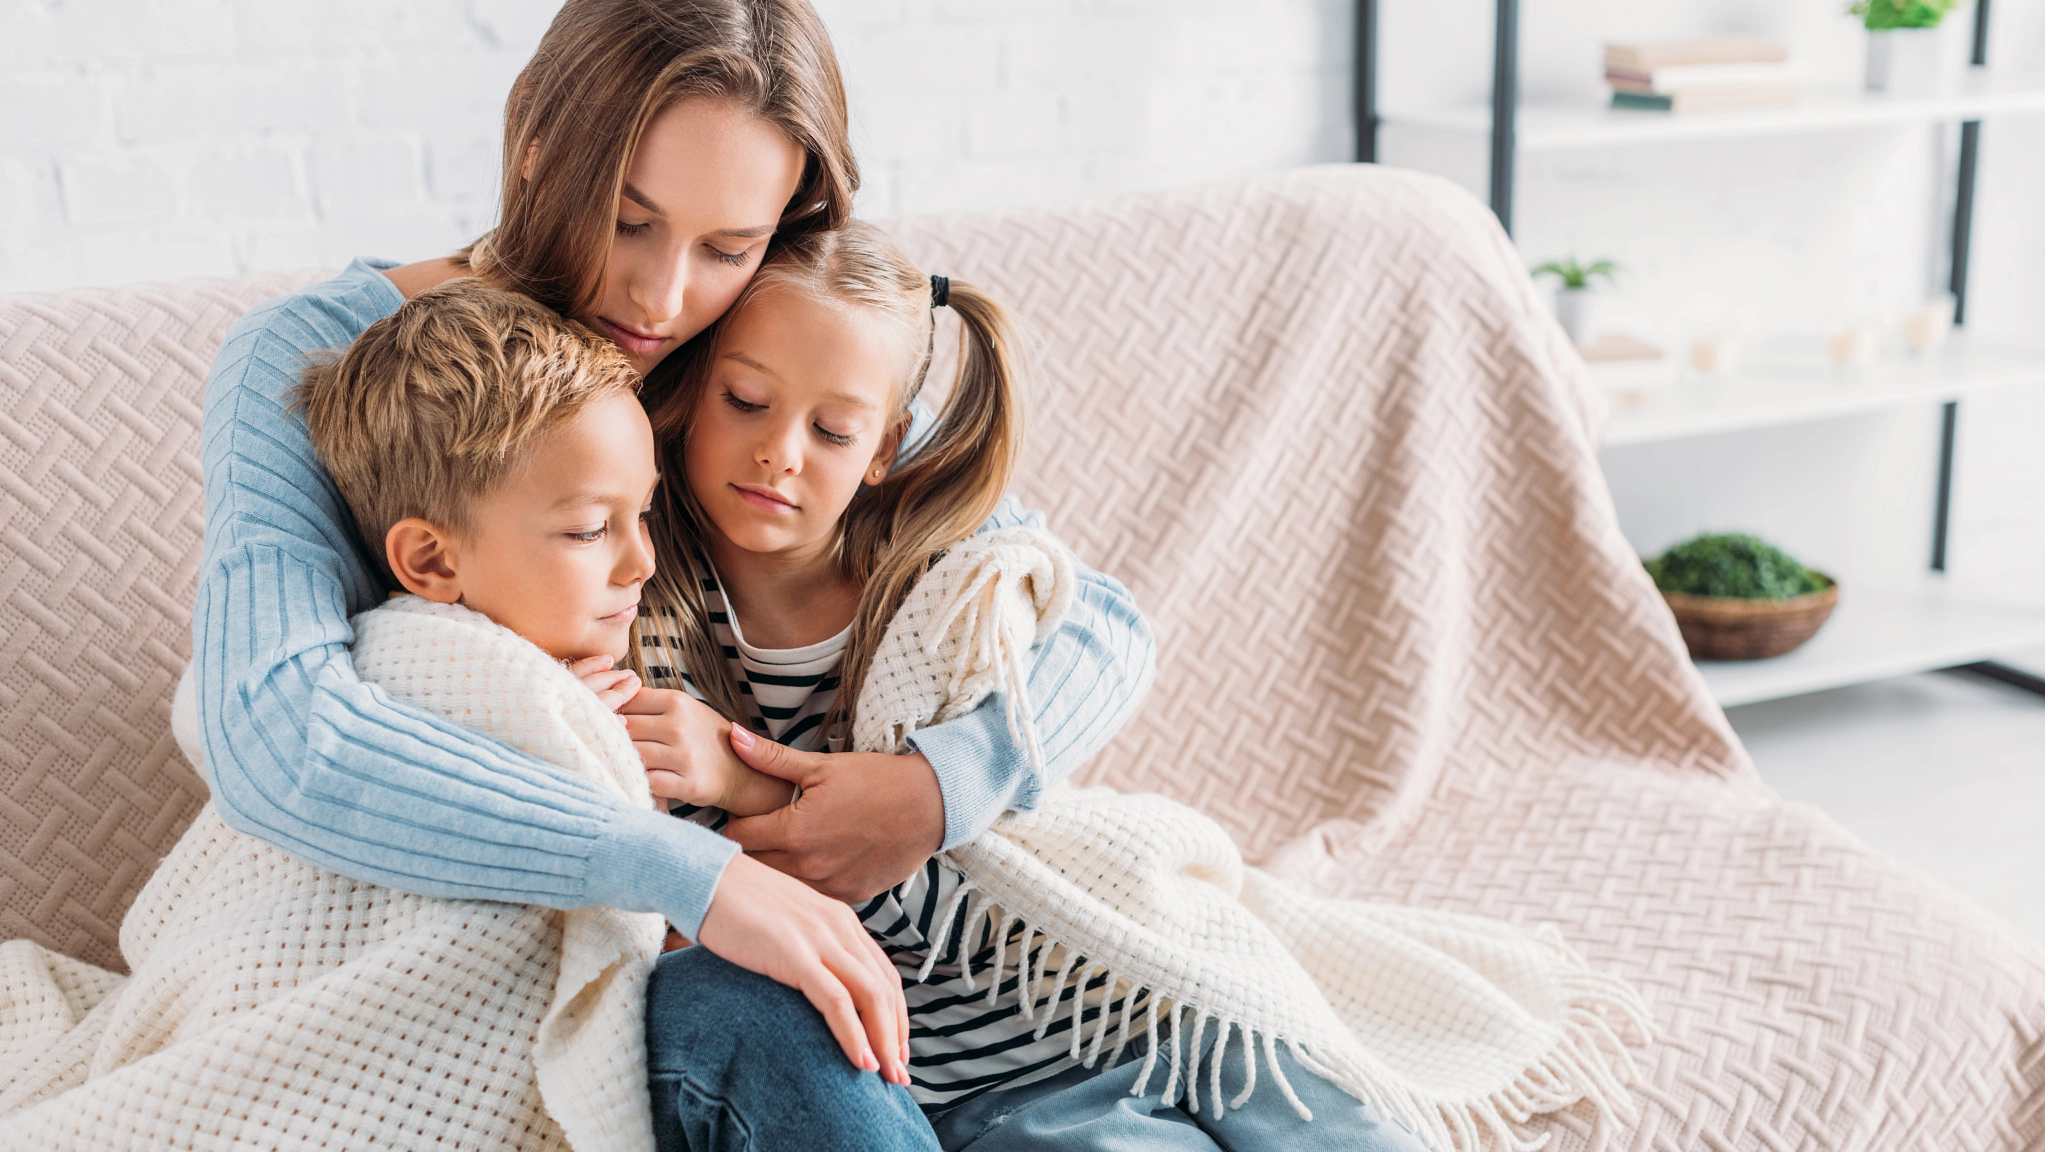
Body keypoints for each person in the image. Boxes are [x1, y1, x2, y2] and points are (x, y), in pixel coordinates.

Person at [191, 0, 1152, 1143]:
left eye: (725, 247)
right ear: (537, 140)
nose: (655, 299)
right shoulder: (315, 358)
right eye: (627, 219)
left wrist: (942, 785)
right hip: (486, 962)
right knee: (763, 1014)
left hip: (822, 961)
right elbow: (274, 731)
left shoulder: (754, 345)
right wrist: (686, 872)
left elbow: (1086, 615)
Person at [633, 223, 1427, 1151]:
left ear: (886, 447)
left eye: (832, 430)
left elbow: (1109, 632)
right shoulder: (643, 603)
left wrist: (937, 786)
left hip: (1118, 988)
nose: (781, 452)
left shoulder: (945, 575)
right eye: (745, 400)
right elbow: (763, 904)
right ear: (694, 388)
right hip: (978, 1081)